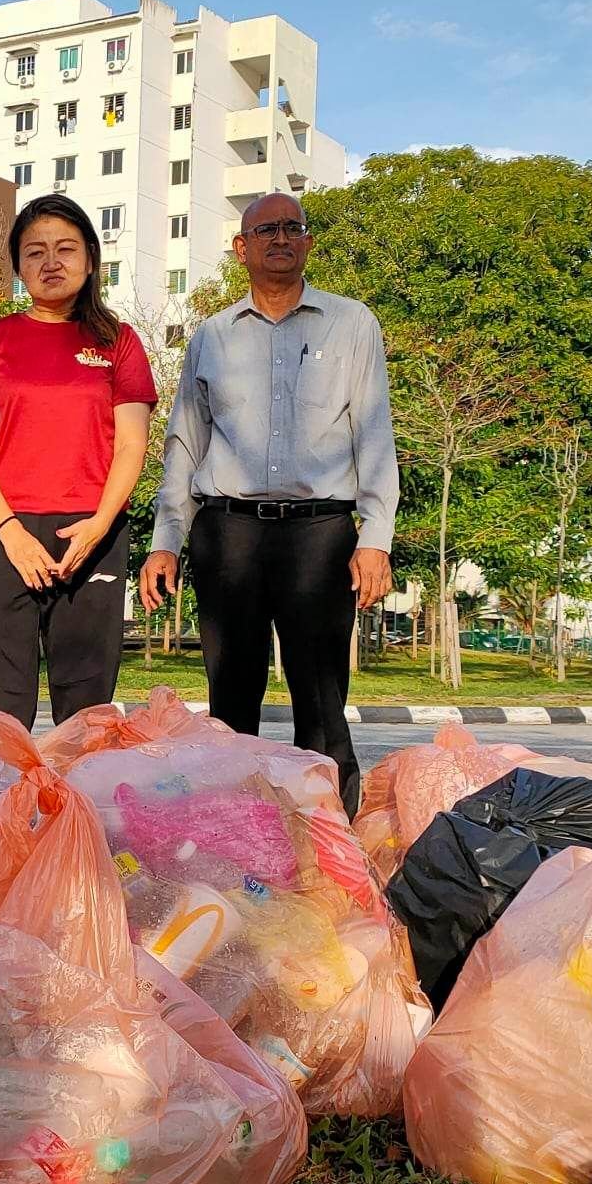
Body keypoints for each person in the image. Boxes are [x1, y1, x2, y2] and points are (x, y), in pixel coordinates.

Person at [139, 192, 396, 814]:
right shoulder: (212, 337)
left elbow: (374, 431)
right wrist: (165, 541)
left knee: (322, 701)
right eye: (265, 229)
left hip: (320, 535)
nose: (280, 238)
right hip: (229, 535)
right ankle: (233, 832)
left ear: (307, 242)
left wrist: (375, 536)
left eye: (292, 227)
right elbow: (184, 441)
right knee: (231, 698)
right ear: (242, 248)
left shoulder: (352, 323)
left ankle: (337, 842)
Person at [0, 193, 155, 730]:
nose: (51, 262)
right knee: (1, 708)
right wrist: (11, 533)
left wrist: (99, 528)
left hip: (92, 534)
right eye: (34, 251)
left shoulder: (119, 342)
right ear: (18, 264)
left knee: (86, 714)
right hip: (2, 535)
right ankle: (1, 814)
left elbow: (132, 444)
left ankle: (80, 816)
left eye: (66, 248)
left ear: (90, 259)